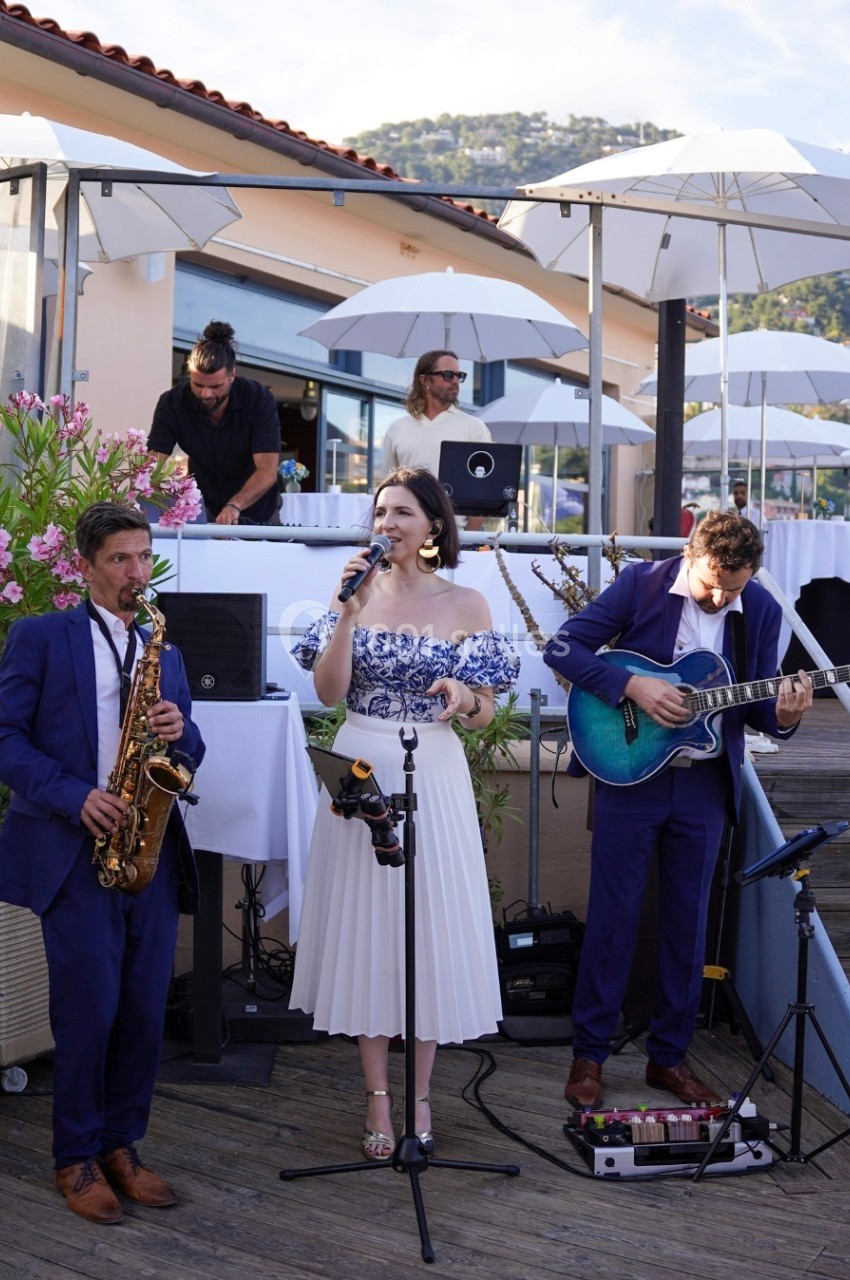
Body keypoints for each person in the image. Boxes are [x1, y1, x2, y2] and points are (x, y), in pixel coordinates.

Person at [543, 510, 813, 1109]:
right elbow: (561, 648)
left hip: (704, 785)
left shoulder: (759, 609)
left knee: (689, 925)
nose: (721, 599)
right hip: (630, 773)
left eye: (734, 589)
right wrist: (631, 685)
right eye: (713, 584)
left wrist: (784, 715)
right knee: (613, 915)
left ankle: (669, 1057)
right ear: (691, 556)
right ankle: (590, 1054)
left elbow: (757, 705)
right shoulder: (640, 585)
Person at [289, 466, 518, 1159]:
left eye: (402, 513)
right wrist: (346, 614)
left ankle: (420, 1095)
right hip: (360, 762)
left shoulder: (467, 602)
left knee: (425, 929)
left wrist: (462, 695)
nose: (387, 524)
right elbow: (329, 693)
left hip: (434, 770)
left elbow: (485, 713)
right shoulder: (353, 595)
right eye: (381, 512)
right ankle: (377, 1099)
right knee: (368, 928)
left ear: (433, 526)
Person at [0, 502, 205, 1225]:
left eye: (144, 556)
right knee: (88, 1011)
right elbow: (5, 738)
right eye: (120, 558)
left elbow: (189, 752)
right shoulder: (40, 637)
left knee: (144, 1011)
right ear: (84, 566)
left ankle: (122, 1144)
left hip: (146, 852)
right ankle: (76, 1156)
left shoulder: (163, 651)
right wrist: (73, 795)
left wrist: (181, 731)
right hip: (74, 849)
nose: (135, 572)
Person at [148, 320, 281, 526]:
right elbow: (153, 461)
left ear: (232, 375)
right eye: (197, 384)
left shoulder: (257, 398)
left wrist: (234, 505)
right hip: (203, 508)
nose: (205, 394)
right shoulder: (172, 403)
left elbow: (267, 470)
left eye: (215, 386)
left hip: (259, 511)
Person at [381, 350, 491, 479]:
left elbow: (485, 481)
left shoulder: (474, 427)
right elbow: (387, 483)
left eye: (459, 375)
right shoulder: (397, 429)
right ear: (425, 380)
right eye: (448, 375)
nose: (455, 381)